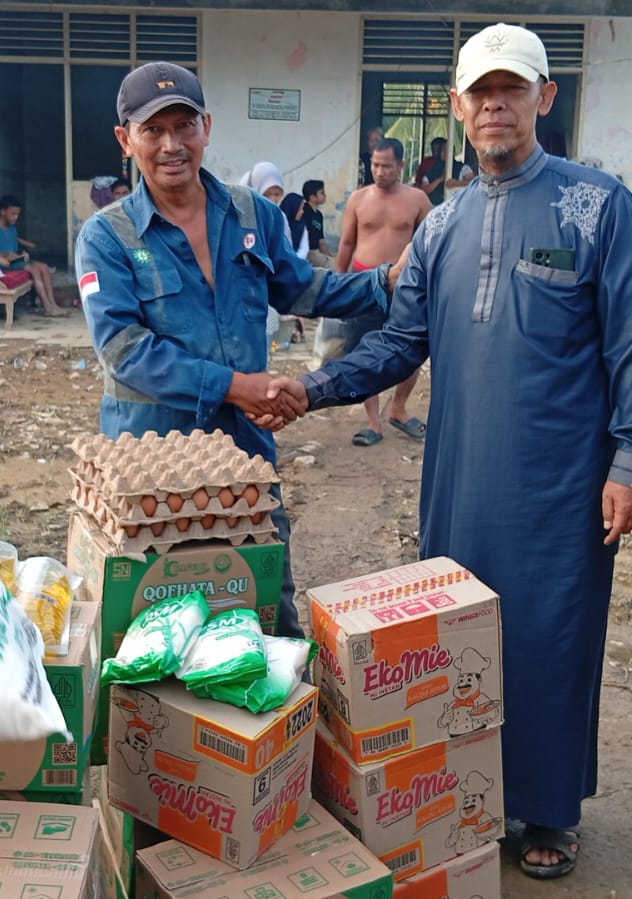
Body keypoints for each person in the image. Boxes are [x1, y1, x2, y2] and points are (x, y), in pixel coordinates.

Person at [262, 24, 632, 879]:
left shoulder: (596, 206)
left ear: (542, 99)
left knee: (551, 640)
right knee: (457, 641)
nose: (494, 105)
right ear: (457, 106)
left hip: (564, 483)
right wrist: (314, 388)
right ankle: (465, 798)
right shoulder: (441, 225)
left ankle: (550, 811)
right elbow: (399, 340)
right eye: (479, 92)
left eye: (510, 89)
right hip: (458, 478)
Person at [73, 61, 398, 643]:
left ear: (207, 127)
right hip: (153, 469)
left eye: (185, 126)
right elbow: (124, 351)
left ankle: (282, 731)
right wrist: (234, 386)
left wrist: (384, 284)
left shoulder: (253, 215)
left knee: (267, 610)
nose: (172, 145)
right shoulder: (107, 237)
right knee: (155, 636)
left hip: (244, 453)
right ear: (126, 140)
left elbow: (305, 289)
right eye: (153, 130)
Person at [330, 137, 432, 447]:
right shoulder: (359, 199)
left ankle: (398, 409)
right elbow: (347, 243)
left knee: (412, 352)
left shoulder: (417, 200)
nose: (380, 171)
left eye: (386, 165)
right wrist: (336, 287)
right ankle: (373, 421)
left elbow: (433, 244)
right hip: (363, 286)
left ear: (401, 165)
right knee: (365, 353)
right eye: (375, 164)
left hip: (405, 287)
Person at [0, 194, 69, 317]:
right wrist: (5, 255)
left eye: (17, 214)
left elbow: (13, 251)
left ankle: (53, 304)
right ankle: (48, 307)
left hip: (12, 262)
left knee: (43, 266)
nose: (16, 217)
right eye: (13, 214)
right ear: (3, 211)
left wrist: (22, 255)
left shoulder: (12, 228)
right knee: (33, 269)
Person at [281, 179, 333, 267]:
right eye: (322, 192)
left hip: (311, 252)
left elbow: (321, 240)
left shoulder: (319, 215)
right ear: (313, 197)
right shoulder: (305, 211)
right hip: (310, 253)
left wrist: (328, 256)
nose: (325, 195)